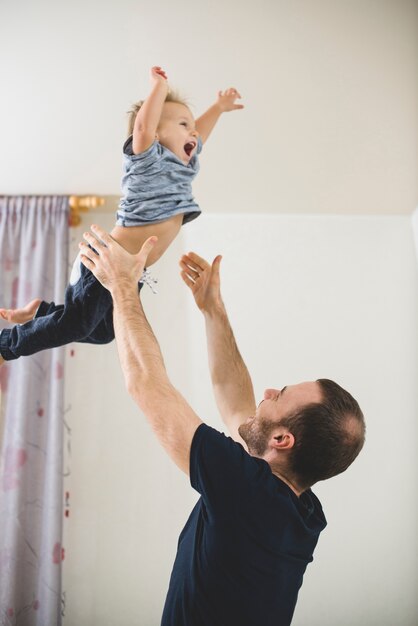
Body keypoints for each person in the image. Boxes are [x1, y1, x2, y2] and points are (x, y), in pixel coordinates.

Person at [77, 224, 366, 626]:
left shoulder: (250, 494)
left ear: (283, 440)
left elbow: (146, 385)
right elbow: (237, 403)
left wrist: (123, 286)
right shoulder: (299, 512)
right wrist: (214, 310)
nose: (267, 392)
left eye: (278, 395)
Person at [0, 66, 243, 365]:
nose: (193, 131)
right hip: (107, 258)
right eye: (182, 123)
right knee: (79, 324)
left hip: (130, 270)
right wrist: (159, 89)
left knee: (103, 332)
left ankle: (43, 311)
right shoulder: (147, 162)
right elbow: (141, 129)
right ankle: (5, 346)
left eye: (190, 126)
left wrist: (218, 108)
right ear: (155, 132)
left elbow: (200, 133)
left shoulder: (183, 169)